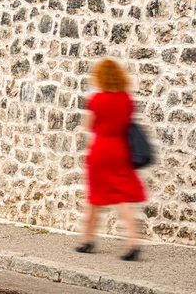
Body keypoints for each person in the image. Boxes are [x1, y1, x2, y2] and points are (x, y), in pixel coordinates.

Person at [75, 58, 147, 261]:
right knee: (123, 197)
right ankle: (133, 242)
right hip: (121, 150)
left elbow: (88, 125)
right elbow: (127, 122)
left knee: (95, 198)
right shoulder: (126, 99)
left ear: (100, 77)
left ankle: (87, 240)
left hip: (101, 150)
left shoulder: (96, 99)